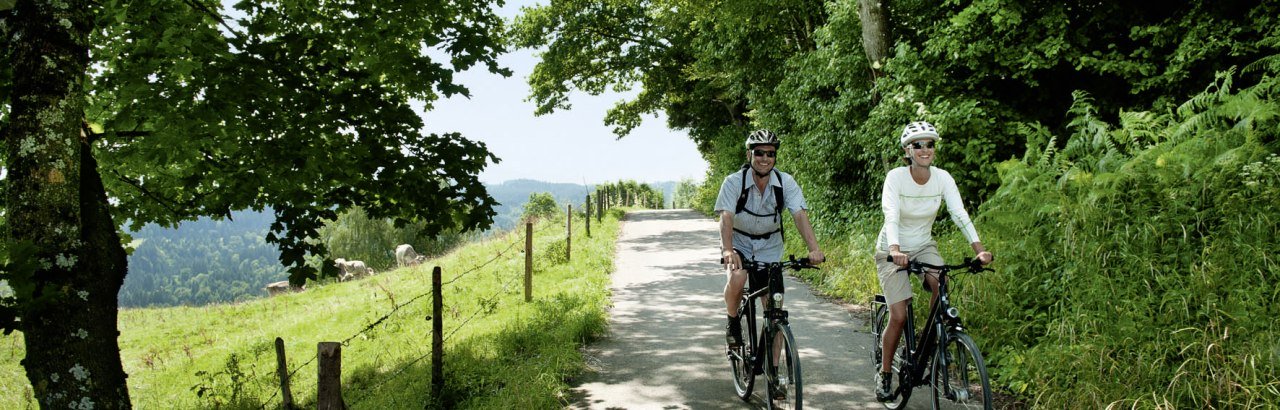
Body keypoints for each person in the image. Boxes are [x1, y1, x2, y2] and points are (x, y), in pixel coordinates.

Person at [874, 121, 993, 401]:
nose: (925, 149)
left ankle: (931, 340)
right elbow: (891, 214)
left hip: (924, 245)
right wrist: (895, 248)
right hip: (892, 250)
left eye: (929, 144)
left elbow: (959, 214)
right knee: (900, 315)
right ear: (908, 151)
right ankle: (886, 372)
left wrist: (979, 249)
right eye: (918, 145)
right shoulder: (895, 178)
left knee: (942, 284)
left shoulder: (942, 178)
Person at [716, 129, 825, 350]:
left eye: (770, 153)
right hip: (740, 242)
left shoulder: (785, 182)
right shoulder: (733, 182)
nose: (765, 158)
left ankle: (776, 377)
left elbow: (799, 215)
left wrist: (814, 249)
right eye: (759, 153)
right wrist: (728, 250)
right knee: (737, 277)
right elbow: (726, 217)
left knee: (775, 311)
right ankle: (732, 320)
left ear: (775, 156)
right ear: (749, 155)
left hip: (770, 245)